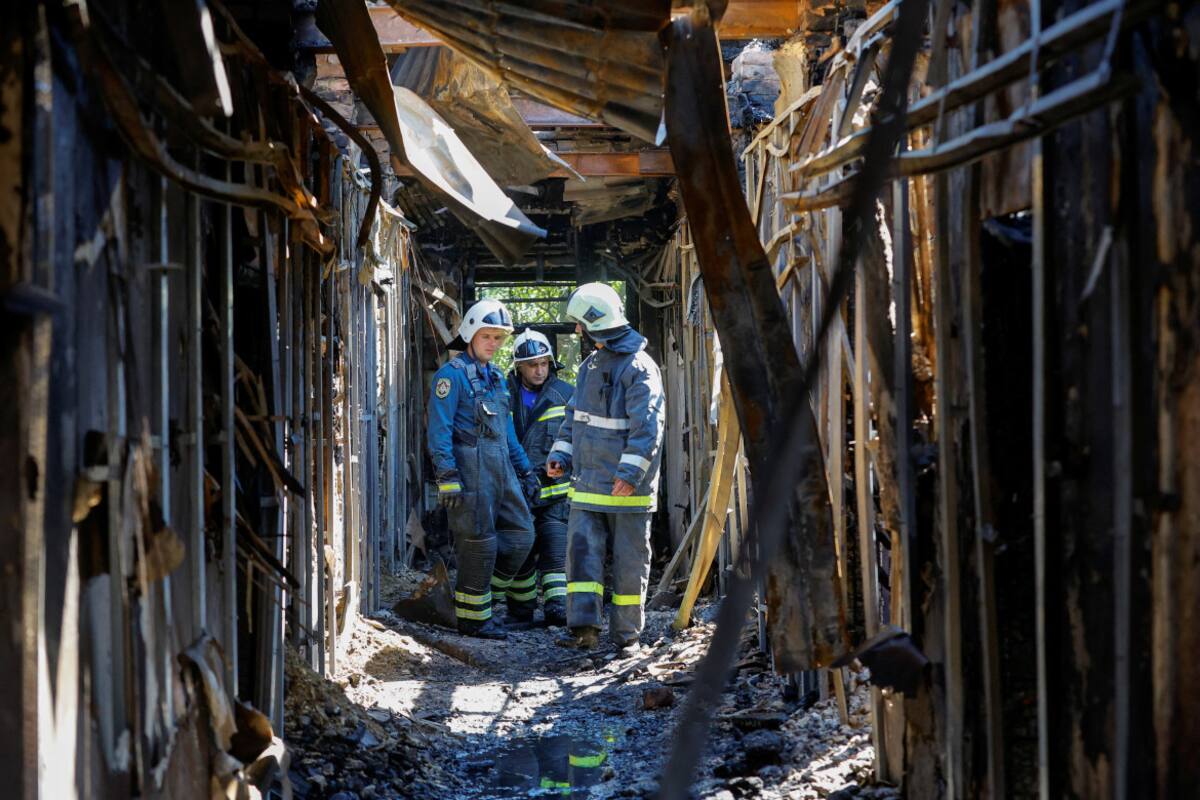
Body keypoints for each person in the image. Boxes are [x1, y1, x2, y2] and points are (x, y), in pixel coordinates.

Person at [546, 283, 665, 651]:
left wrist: (629, 475)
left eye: (582, 323)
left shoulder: (640, 368)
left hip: (626, 491)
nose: (578, 330)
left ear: (597, 322)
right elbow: (574, 420)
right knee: (582, 562)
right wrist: (560, 455)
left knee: (630, 566)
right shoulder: (591, 366)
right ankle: (585, 632)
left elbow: (649, 428)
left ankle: (627, 637)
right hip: (587, 486)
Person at [427, 299, 540, 640]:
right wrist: (447, 477)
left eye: (498, 338)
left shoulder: (495, 380)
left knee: (523, 535)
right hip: (470, 470)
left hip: (501, 467)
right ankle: (473, 621)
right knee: (479, 544)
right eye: (487, 336)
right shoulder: (451, 377)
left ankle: (478, 597)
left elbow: (508, 436)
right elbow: (439, 431)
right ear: (471, 335)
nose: (493, 343)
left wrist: (525, 472)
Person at [501, 329, 574, 627]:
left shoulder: (567, 395)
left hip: (556, 491)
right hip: (518, 490)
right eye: (532, 364)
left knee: (556, 553)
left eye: (544, 363)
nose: (539, 370)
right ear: (519, 366)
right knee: (521, 551)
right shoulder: (503, 394)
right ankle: (521, 610)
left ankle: (558, 609)